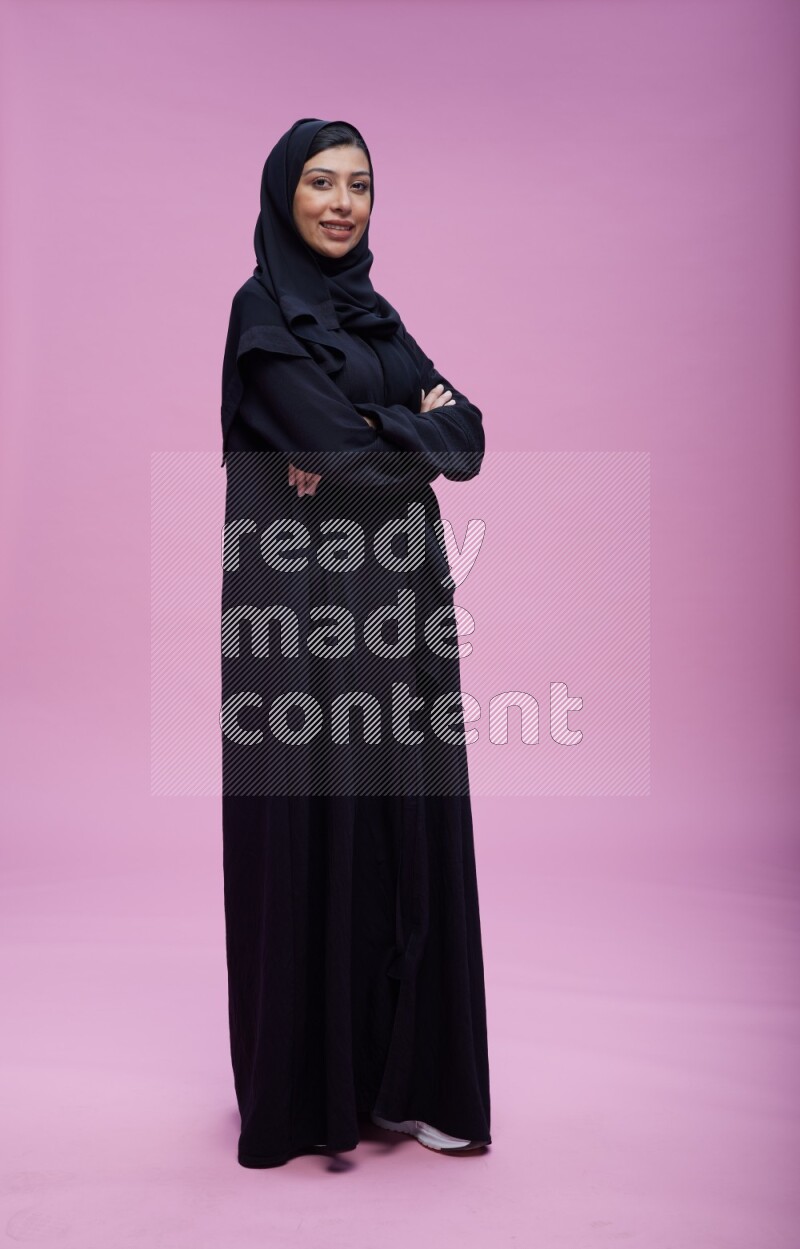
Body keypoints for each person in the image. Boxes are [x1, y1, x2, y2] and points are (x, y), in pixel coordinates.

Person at [219, 117, 491, 1168]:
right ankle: (311, 1094)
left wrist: (374, 439)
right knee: (315, 825)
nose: (341, 203)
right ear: (284, 195)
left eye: (360, 186)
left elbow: (466, 437)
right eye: (321, 184)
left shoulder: (376, 317)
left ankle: (407, 1078)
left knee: (403, 827)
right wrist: (387, 433)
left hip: (401, 607)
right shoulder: (259, 313)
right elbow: (338, 446)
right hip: (300, 617)